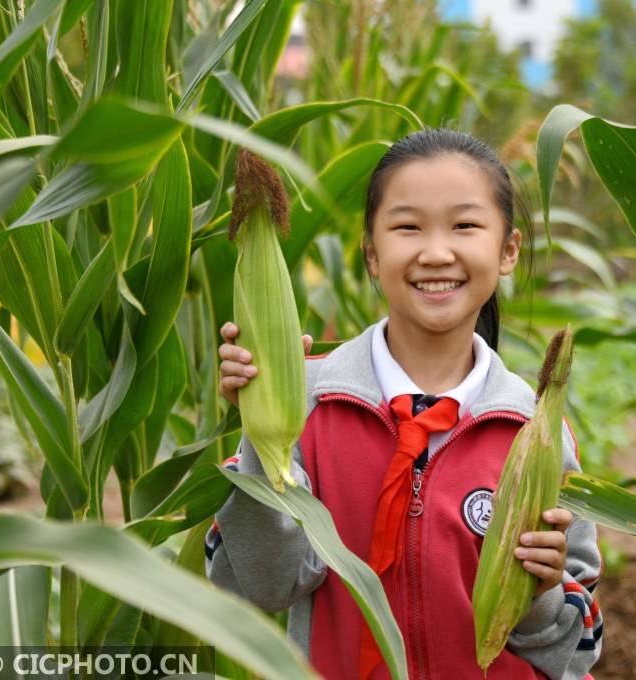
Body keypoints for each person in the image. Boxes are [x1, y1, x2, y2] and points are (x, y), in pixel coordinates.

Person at [205, 128, 603, 679]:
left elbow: (576, 653)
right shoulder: (310, 407)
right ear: (372, 254)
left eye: (465, 226)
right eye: (407, 227)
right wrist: (263, 421)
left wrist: (537, 592)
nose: (436, 253)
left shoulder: (534, 436)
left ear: (508, 250)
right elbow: (261, 585)